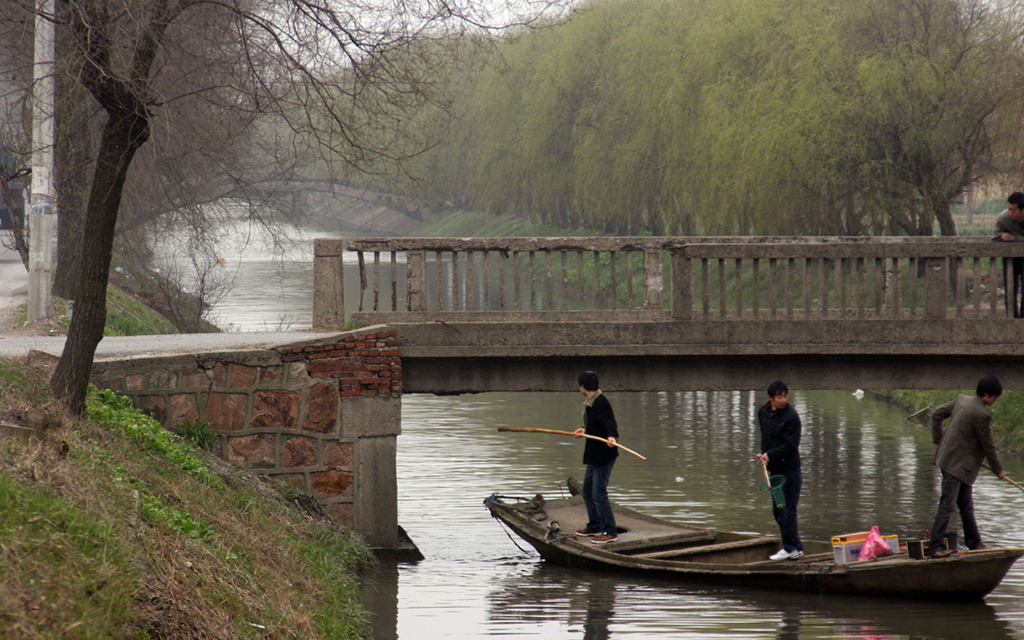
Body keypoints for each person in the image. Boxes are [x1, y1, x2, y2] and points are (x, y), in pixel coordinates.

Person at [926, 376, 1006, 558]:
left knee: (966, 506)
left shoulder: (961, 400)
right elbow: (987, 445)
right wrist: (998, 470)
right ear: (987, 395)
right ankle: (935, 547)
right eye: (995, 397)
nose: (994, 401)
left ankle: (974, 543)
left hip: (955, 463)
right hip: (955, 466)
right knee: (947, 506)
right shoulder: (982, 414)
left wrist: (939, 441)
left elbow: (936, 414)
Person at [755, 380, 804, 561]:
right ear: (771, 398)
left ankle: (789, 548)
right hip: (774, 469)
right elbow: (767, 438)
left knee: (788, 509)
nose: (783, 400)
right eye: (779, 397)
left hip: (790, 469)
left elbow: (791, 445)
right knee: (778, 510)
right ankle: (796, 547)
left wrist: (771, 454)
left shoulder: (791, 417)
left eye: (785, 396)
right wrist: (763, 454)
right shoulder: (763, 412)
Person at [574, 371, 620, 544]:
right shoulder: (590, 402)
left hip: (603, 455)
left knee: (599, 493)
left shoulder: (601, 402)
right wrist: (584, 429)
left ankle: (610, 531)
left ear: (583, 386)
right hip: (594, 455)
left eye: (579, 386)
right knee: (587, 491)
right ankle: (595, 525)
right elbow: (595, 424)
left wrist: (612, 437)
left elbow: (609, 423)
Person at [993, 192, 1024, 318]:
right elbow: (995, 237)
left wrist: (1014, 238)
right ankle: (1011, 318)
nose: (1011, 213)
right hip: (1010, 258)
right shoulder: (1003, 218)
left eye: (1014, 210)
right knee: (1010, 287)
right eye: (1009, 209)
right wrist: (1003, 238)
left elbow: (1014, 238)